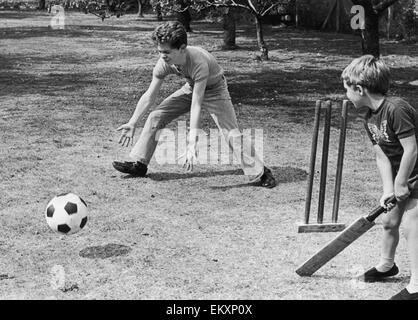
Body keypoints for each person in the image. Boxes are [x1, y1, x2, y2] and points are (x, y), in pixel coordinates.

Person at [112, 21, 276, 188]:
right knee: (156, 115)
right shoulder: (164, 62)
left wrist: (192, 144)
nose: (162, 55)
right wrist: (133, 122)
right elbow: (149, 95)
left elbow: (196, 105)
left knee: (230, 132)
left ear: (182, 48)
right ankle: (140, 164)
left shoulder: (198, 62)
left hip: (215, 90)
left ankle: (261, 172)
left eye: (167, 52)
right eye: (160, 51)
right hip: (191, 86)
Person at [341, 55, 418, 300]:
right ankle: (387, 266)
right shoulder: (369, 118)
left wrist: (401, 182)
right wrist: (388, 189)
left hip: (415, 174)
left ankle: (417, 286)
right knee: (389, 222)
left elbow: (412, 149)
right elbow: (382, 157)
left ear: (360, 89)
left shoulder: (396, 108)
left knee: (411, 226)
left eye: (347, 89)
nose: (346, 95)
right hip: (403, 177)